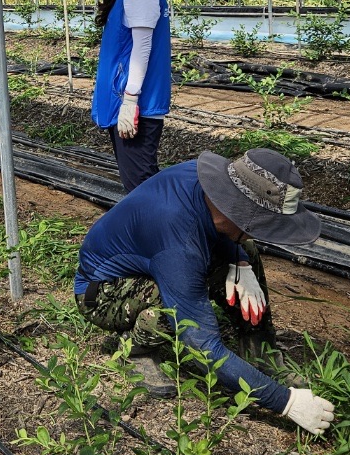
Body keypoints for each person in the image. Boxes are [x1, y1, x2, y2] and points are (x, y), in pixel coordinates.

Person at [74, 147, 335, 436]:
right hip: (102, 294)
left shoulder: (211, 182)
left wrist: (241, 260)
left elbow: (215, 226)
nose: (260, 234)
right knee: (170, 311)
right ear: (235, 211)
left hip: (151, 258)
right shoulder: (179, 245)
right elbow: (203, 345)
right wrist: (285, 402)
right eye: (260, 226)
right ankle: (134, 349)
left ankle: (259, 349)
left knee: (244, 249)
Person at [85, 0, 172, 193]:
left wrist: (130, 100)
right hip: (128, 99)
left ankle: (167, 235)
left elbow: (142, 46)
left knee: (142, 187)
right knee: (141, 183)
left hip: (137, 104)